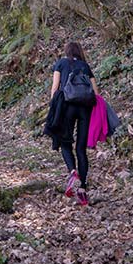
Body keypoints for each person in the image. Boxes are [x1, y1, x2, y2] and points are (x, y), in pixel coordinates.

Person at [49, 41, 98, 206]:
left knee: (65, 142)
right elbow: (95, 93)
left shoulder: (61, 63)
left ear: (67, 51)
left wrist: (53, 107)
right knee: (81, 149)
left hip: (67, 106)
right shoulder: (85, 66)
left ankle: (72, 172)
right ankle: (83, 189)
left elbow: (55, 88)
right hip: (85, 109)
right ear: (80, 52)